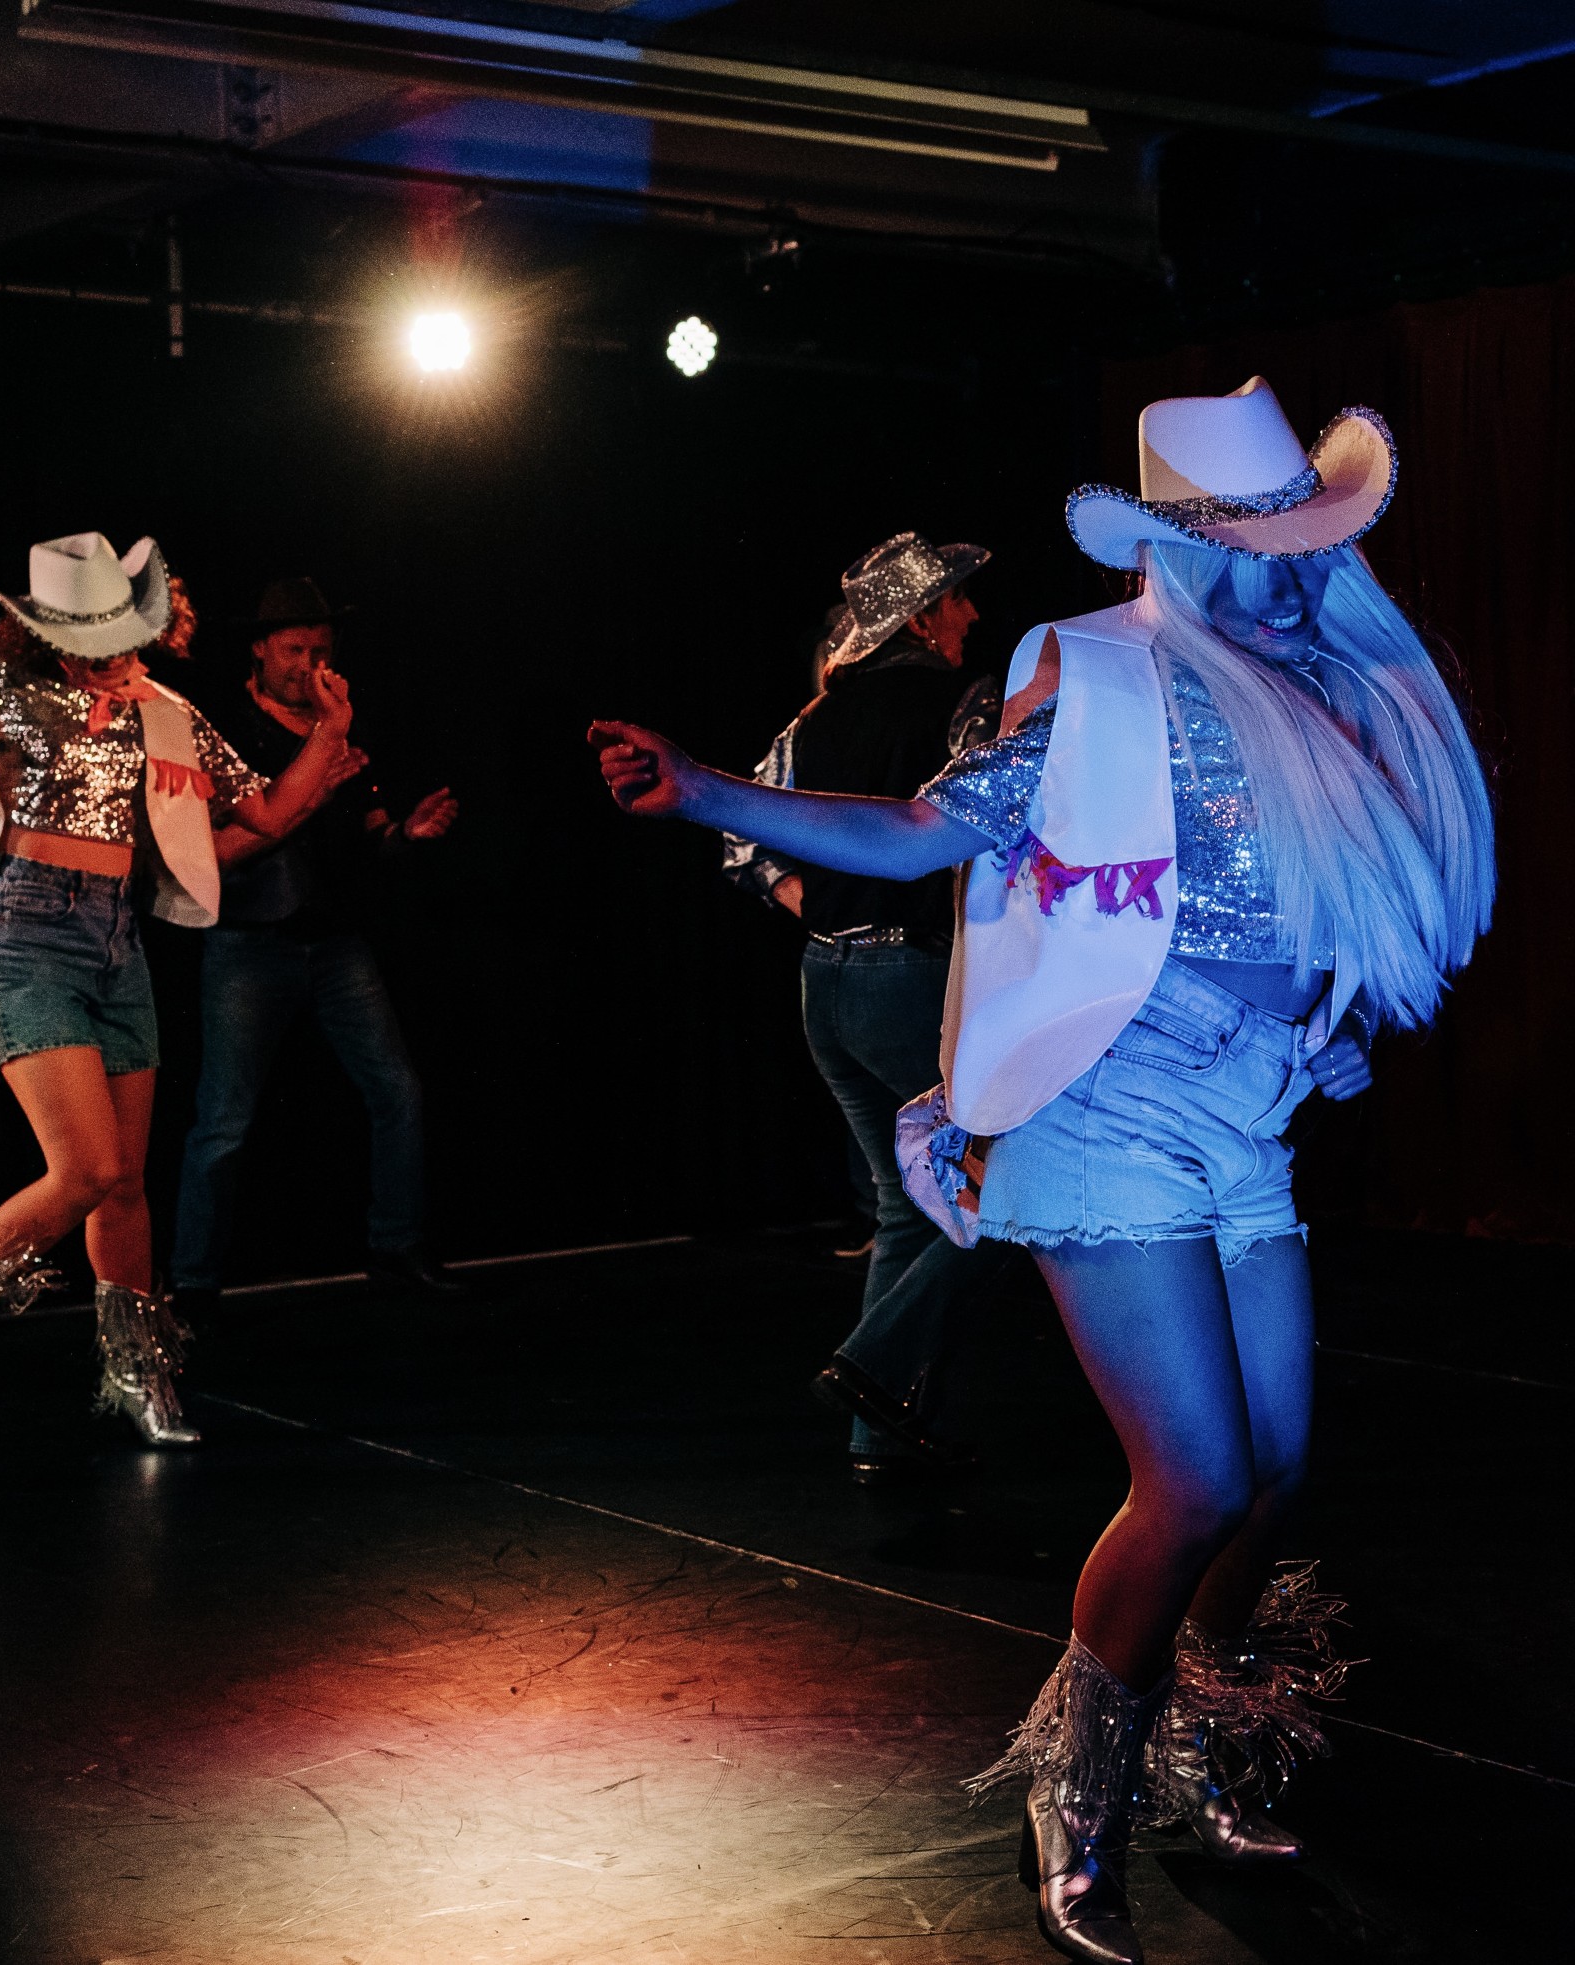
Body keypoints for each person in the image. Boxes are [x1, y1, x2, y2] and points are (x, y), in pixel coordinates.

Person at [593, 379, 1495, 1964]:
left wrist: (1334, 1027)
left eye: (1309, 547)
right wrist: (709, 792)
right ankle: (1078, 1791)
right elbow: (921, 833)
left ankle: (1197, 1737)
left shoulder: (1319, 698)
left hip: (1247, 1112)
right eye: (1263, 553)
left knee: (1275, 1466)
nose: (1295, 580)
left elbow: (1305, 913)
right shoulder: (1097, 679)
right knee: (1195, 1478)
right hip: (1109, 1102)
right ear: (1182, 554)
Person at [0, 533, 353, 1449]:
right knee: (87, 1168)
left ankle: (137, 1371)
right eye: (89, 641)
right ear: (50, 638)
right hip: (26, 936)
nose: (111, 656)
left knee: (126, 1186)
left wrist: (332, 734)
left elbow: (266, 809)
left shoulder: (165, 713)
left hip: (117, 942)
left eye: (122, 637)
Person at [721, 535, 1010, 1484]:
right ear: (921, 619)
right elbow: (992, 826)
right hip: (906, 983)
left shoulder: (813, 718)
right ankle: (871, 1364)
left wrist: (823, 906)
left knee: (906, 1203)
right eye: (957, 598)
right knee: (1013, 1186)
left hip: (826, 983)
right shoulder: (966, 703)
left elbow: (739, 838)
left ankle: (878, 1435)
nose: (972, 612)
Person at [171, 578, 463, 1310]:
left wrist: (406, 834)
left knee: (398, 1090)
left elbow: (371, 832)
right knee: (224, 1120)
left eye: (322, 651)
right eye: (295, 650)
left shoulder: (339, 726)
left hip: (335, 942)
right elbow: (213, 851)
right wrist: (310, 796)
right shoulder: (225, 729)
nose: (309, 665)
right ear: (260, 650)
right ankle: (193, 1283)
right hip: (248, 943)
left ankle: (397, 1247)